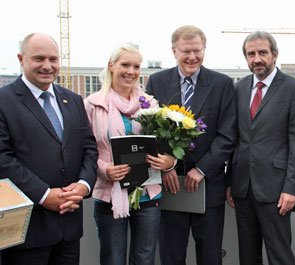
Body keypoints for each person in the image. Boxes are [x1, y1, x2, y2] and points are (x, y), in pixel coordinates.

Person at [0, 33, 98, 265]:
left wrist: (83, 186)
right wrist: (44, 195)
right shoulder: (4, 101)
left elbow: (89, 147)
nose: (47, 66)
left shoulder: (73, 100)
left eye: (53, 59)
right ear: (21, 59)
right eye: (38, 58)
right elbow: (3, 158)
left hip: (70, 227)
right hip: (27, 231)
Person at [145, 25, 237, 265]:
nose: (192, 57)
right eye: (186, 51)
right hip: (170, 185)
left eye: (197, 50)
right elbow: (147, 131)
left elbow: (228, 135)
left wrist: (202, 169)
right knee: (171, 255)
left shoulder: (222, 84)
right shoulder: (156, 81)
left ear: (204, 50)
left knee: (209, 255)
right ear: (174, 51)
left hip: (208, 187)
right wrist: (165, 167)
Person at [84, 44, 175, 265]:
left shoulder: (150, 104)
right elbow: (86, 150)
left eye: (136, 66)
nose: (131, 71)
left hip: (147, 194)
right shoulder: (92, 105)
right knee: (113, 259)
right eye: (125, 65)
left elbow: (162, 144)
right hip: (109, 195)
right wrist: (104, 169)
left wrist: (169, 161)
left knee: (144, 259)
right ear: (111, 66)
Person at [226, 31, 295, 265]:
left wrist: (292, 188)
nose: (257, 59)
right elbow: (236, 138)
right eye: (251, 54)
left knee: (279, 255)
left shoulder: (294, 89)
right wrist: (231, 182)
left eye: (262, 52)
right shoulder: (239, 88)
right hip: (243, 188)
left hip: (276, 189)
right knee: (248, 255)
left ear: (275, 55)